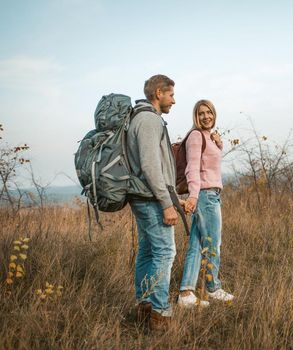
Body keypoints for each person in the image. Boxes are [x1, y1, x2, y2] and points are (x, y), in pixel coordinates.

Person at [127, 74, 178, 331]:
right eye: (171, 95)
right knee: (165, 252)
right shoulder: (148, 120)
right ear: (158, 93)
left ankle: (145, 307)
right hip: (151, 198)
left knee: (148, 252)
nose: (174, 100)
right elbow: (149, 166)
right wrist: (166, 203)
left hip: (144, 197)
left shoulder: (142, 118)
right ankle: (160, 314)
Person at [177, 99, 234, 307]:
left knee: (197, 243)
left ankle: (186, 293)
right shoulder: (195, 136)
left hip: (211, 195)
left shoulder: (210, 137)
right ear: (195, 116)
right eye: (201, 113)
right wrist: (193, 196)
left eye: (209, 112)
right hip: (205, 196)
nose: (206, 116)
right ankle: (213, 288)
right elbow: (192, 169)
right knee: (212, 243)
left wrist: (219, 144)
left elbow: (210, 165)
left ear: (214, 114)